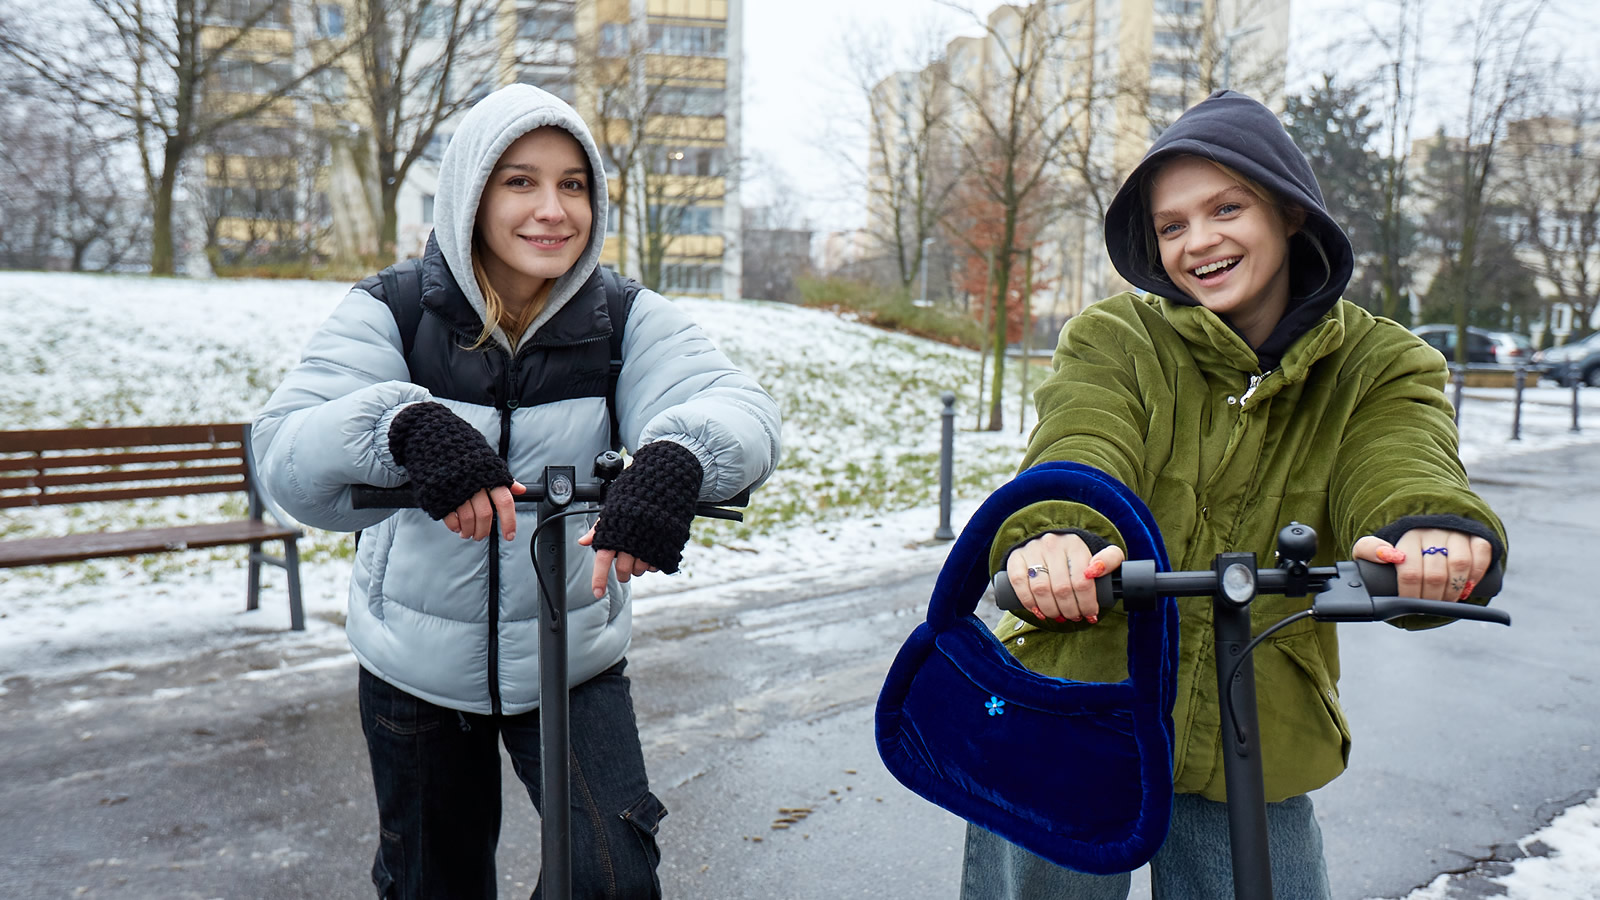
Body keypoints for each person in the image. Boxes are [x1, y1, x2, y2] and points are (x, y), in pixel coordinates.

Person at [962, 90, 1507, 899]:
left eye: (1226, 207)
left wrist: (1432, 533)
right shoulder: (1116, 339)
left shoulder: (1379, 364)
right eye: (1172, 225)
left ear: (1289, 211)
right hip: (1076, 703)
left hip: (1254, 722)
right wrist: (1056, 537)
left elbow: (1402, 456)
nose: (1199, 242)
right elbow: (1080, 446)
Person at [251, 84, 781, 900]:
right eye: (520, 181)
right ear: (472, 192)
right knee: (433, 884)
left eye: (573, 184)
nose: (552, 209)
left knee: (613, 879)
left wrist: (679, 455)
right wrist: (403, 428)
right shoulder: (391, 311)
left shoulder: (623, 316)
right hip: (414, 662)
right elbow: (286, 453)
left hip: (569, 658)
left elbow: (736, 407)